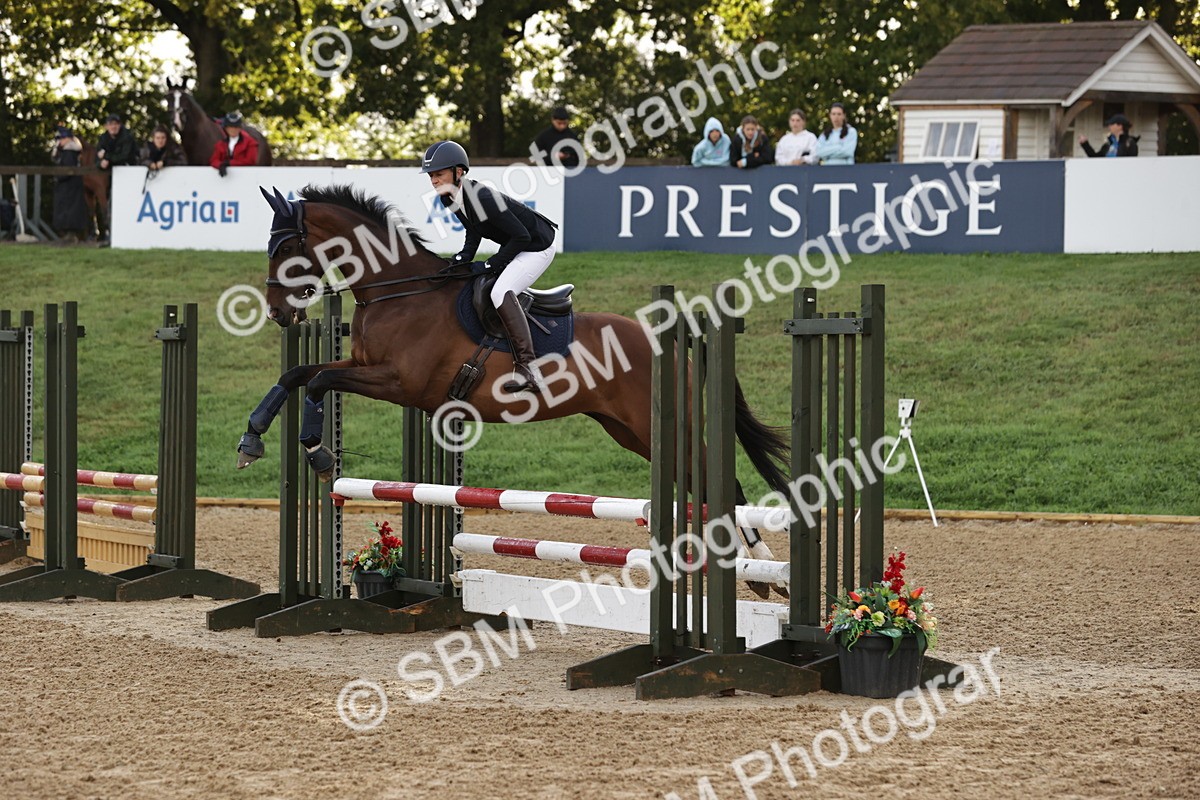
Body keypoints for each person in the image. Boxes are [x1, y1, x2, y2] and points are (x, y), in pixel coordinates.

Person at [421, 140, 559, 394]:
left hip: (538, 246)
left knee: (500, 292)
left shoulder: (482, 197)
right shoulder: (449, 198)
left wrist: (490, 263)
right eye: (431, 175)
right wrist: (462, 259)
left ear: (458, 172)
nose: (434, 180)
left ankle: (529, 369)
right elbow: (473, 231)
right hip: (519, 243)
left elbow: (521, 237)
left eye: (439, 174)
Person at [51, 126, 88, 240]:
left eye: (62, 138)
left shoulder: (69, 152)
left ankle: (71, 234)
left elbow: (68, 170)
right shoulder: (69, 152)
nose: (60, 141)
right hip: (70, 186)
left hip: (69, 187)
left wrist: (58, 177)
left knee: (69, 209)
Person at [209, 111, 259, 176]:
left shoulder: (250, 142)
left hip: (245, 175)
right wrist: (220, 165)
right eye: (230, 127)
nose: (233, 130)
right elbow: (214, 160)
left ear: (240, 128)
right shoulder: (220, 144)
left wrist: (229, 163)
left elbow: (250, 160)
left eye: (236, 127)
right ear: (226, 129)